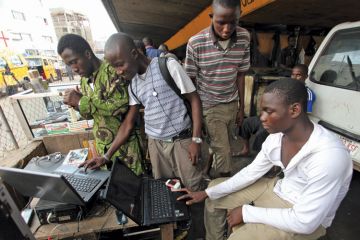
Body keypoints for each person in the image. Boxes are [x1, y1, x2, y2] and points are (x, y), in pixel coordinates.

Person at [177, 78, 353, 240]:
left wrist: (247, 212)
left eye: (269, 111)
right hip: (277, 188)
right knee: (214, 194)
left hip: (303, 217)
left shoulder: (329, 157)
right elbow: (251, 173)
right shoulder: (276, 138)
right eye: (262, 111)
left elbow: (305, 222)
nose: (261, 118)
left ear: (295, 110)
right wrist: (206, 193)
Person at [84, 33, 204, 192]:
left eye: (120, 64)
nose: (118, 71)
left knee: (193, 188)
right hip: (156, 146)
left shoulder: (167, 66)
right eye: (114, 67)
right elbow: (128, 123)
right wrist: (106, 156)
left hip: (181, 142)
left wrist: (196, 140)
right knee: (166, 190)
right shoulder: (132, 83)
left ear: (134, 54)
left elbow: (195, 99)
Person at [57, 34, 143, 175]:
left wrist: (81, 101)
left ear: (87, 54)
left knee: (134, 187)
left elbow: (119, 107)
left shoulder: (111, 70)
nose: (74, 69)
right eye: (69, 65)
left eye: (74, 61)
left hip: (126, 149)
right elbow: (91, 115)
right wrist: (76, 105)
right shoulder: (84, 81)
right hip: (103, 149)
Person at [185, 0, 250, 178]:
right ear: (212, 17)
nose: (227, 28)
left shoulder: (244, 37)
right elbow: (189, 83)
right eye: (221, 22)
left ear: (239, 17)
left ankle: (207, 170)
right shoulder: (196, 43)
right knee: (224, 151)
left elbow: (241, 75)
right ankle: (222, 184)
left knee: (225, 142)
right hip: (210, 105)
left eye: (233, 22)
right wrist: (195, 120)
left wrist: (241, 108)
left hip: (232, 102)